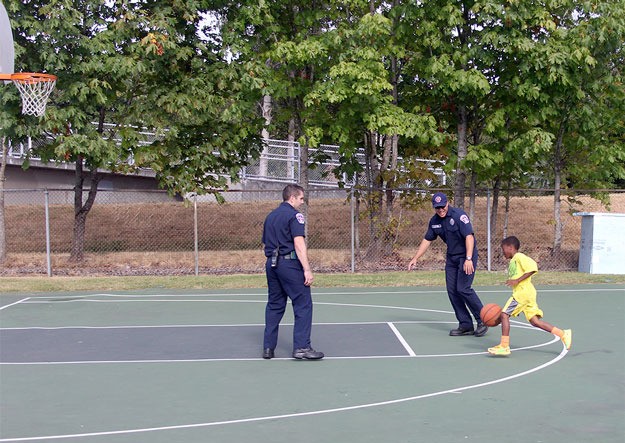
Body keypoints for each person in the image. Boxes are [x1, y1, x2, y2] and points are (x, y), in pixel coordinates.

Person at [408, 192, 488, 337]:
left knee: (463, 288)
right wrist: (416, 258)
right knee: (452, 291)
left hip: (466, 256)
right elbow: (427, 240)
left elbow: (469, 237)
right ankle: (465, 325)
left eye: (442, 206)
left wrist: (469, 258)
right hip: (452, 258)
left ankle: (482, 320)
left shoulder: (458, 216)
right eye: (437, 207)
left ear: (448, 203)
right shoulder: (434, 221)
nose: (440, 210)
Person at [261, 184, 324, 360]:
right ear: (292, 198)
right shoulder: (295, 216)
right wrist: (307, 269)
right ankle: (302, 347)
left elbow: (265, 244)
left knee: (274, 305)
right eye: (301, 198)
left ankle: (268, 347)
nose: (302, 202)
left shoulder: (271, 216)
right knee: (303, 303)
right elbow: (298, 243)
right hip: (289, 264)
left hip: (272, 264)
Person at [488, 236, 572, 356]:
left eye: (503, 248)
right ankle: (563, 334)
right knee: (535, 322)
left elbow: (533, 267)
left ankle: (504, 346)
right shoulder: (514, 260)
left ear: (511, 248)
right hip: (527, 293)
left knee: (504, 314)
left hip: (522, 293)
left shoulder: (519, 257)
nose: (502, 251)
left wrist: (517, 280)